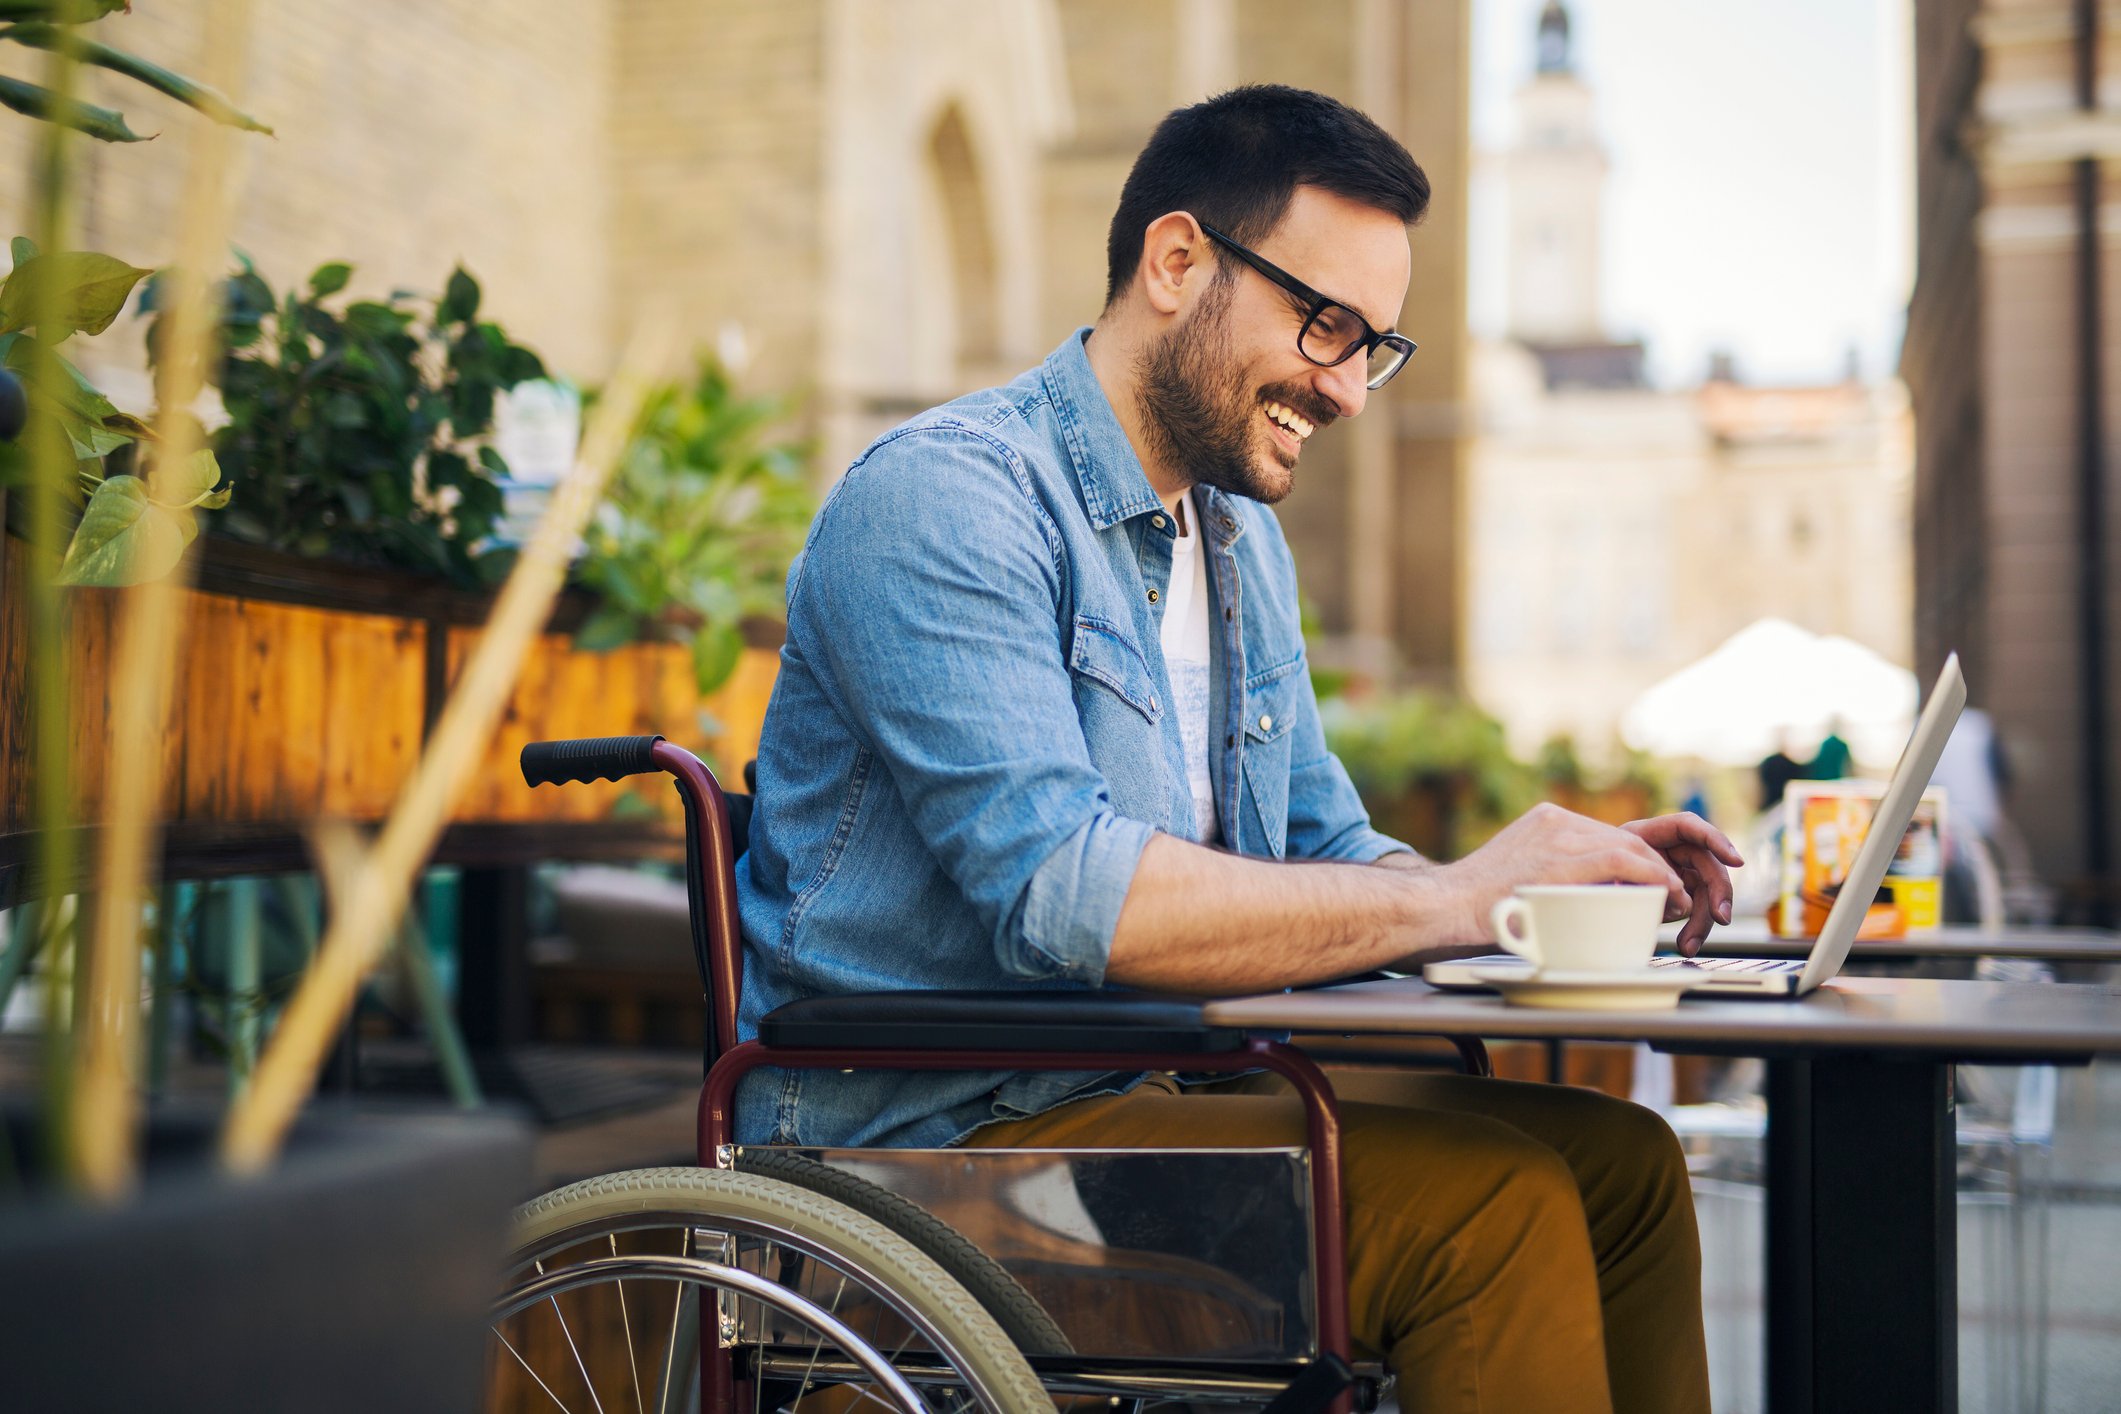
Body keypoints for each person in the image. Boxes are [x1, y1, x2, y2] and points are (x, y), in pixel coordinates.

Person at [735, 85, 1739, 1414]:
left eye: (1374, 347)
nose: (1346, 390)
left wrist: (1543, 894)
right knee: (1485, 1209)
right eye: (1324, 326)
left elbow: (1318, 841)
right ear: (1175, 261)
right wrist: (1454, 897)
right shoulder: (947, 498)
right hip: (933, 1144)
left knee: (1618, 1160)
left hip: (1138, 1102)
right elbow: (1063, 893)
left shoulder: (1231, 535)